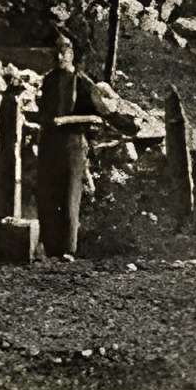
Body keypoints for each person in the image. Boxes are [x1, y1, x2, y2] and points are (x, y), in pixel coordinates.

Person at [32, 29, 118, 262]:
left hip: (73, 144)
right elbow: (44, 112)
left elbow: (96, 118)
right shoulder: (48, 81)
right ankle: (49, 247)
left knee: (70, 196)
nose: (59, 58)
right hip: (50, 143)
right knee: (48, 194)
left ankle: (68, 249)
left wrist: (67, 120)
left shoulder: (81, 81)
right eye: (55, 53)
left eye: (64, 52)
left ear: (72, 53)